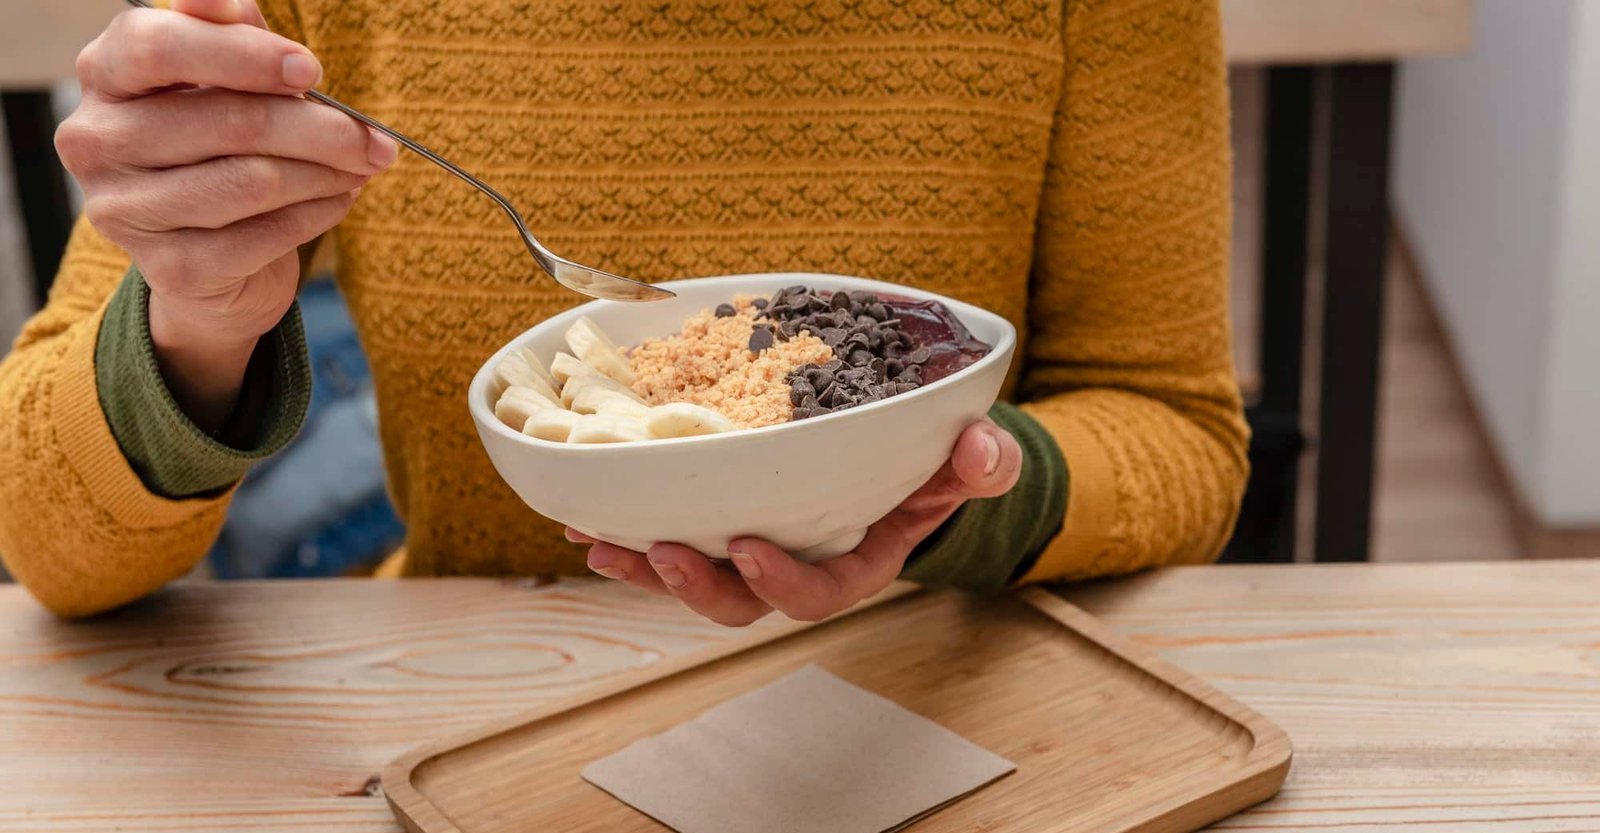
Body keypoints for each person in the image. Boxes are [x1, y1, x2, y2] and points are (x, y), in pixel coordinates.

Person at [0, 0, 1248, 626]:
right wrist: (204, 321)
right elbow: (49, 542)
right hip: (464, 727)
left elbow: (1176, 429)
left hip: (939, 706)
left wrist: (941, 505)